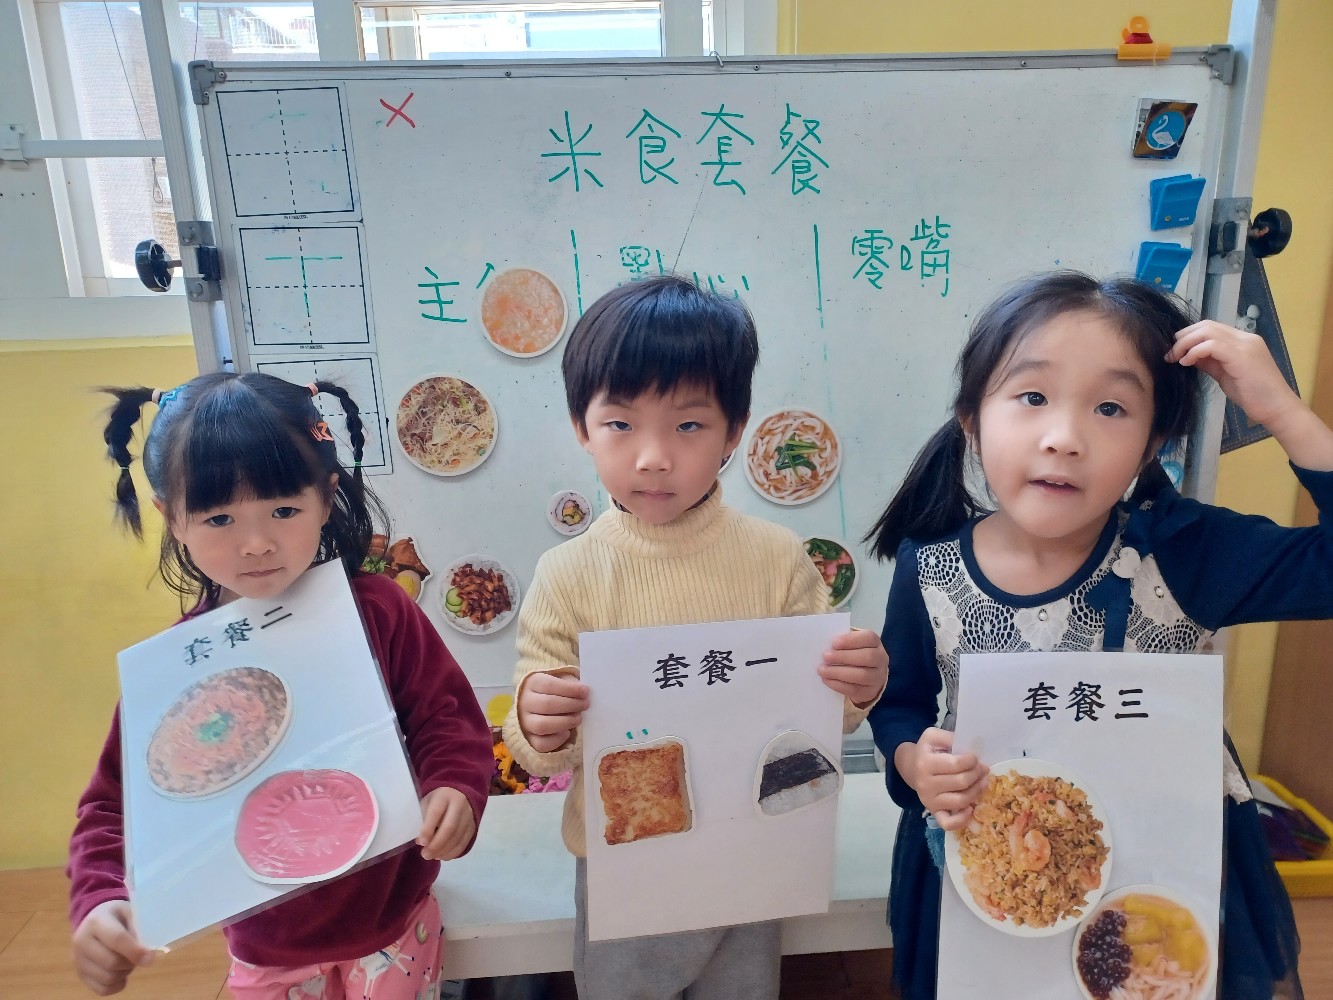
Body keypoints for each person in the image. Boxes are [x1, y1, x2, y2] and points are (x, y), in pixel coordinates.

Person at [864, 270, 1333, 1000]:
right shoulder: (930, 569)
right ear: (971, 419)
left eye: (1111, 407)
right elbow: (900, 705)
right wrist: (912, 762)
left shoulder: (1183, 552)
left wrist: (1282, 412)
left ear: (1152, 444)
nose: (1063, 439)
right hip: (996, 880)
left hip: (1161, 883)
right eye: (1031, 397)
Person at [500, 274, 889, 1000]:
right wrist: (536, 716)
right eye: (620, 424)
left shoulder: (776, 558)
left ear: (734, 432)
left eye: (687, 426)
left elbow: (822, 719)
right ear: (582, 427)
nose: (653, 456)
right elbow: (535, 740)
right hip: (625, 864)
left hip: (749, 849)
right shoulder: (568, 572)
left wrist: (857, 686)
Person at [68, 373, 494, 999]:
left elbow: (445, 717)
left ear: (326, 496)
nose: (257, 543)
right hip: (265, 950)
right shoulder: (180, 665)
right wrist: (102, 898)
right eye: (219, 517)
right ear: (171, 518)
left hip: (395, 926)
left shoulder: (379, 611)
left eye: (284, 510)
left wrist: (454, 785)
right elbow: (113, 806)